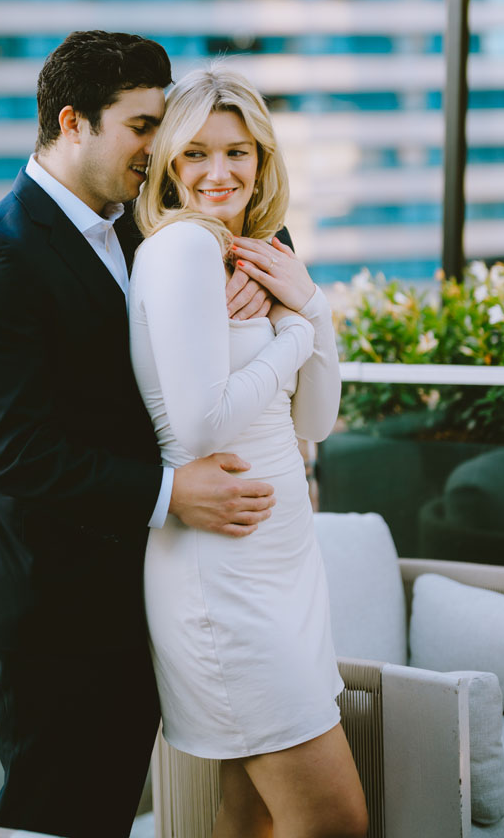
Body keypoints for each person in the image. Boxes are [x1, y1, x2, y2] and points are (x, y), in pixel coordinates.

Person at [0, 31, 279, 838]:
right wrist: (172, 493)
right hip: (58, 610)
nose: (160, 148)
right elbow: (14, 456)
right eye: (141, 127)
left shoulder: (146, 221)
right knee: (64, 816)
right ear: (72, 123)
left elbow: (252, 210)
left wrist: (269, 286)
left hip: (158, 589)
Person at [129, 66, 368, 838]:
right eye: (195, 153)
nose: (218, 172)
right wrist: (298, 331)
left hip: (282, 559)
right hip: (223, 571)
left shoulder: (253, 254)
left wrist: (315, 308)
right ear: (169, 163)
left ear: (263, 160)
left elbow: (320, 420)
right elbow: (199, 428)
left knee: (253, 812)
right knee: (332, 820)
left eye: (237, 152)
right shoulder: (182, 249)